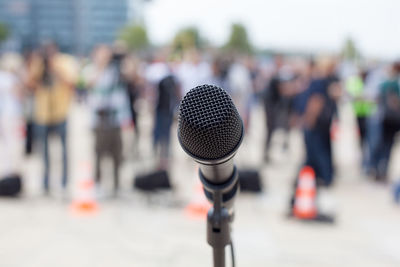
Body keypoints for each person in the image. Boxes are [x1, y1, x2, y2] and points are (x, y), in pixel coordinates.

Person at [28, 42, 78, 194]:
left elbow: (71, 83)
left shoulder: (65, 62)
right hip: (42, 113)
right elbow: (30, 84)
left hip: (60, 112)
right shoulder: (38, 63)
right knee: (43, 152)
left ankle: (64, 183)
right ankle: (45, 184)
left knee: (63, 150)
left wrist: (54, 68)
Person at [85, 45, 131, 196]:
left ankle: (117, 186)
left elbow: (123, 93)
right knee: (99, 154)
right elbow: (89, 84)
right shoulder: (90, 70)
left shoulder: (115, 72)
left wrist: (126, 118)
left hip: (115, 119)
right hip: (99, 119)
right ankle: (97, 184)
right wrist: (100, 67)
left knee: (117, 154)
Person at [374, 62, 400, 183]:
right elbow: (394, 102)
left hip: (384, 117)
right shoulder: (394, 84)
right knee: (387, 146)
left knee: (383, 144)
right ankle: (382, 170)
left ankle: (379, 168)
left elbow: (377, 99)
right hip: (393, 119)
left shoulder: (384, 83)